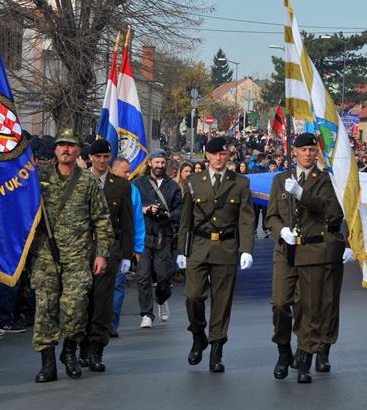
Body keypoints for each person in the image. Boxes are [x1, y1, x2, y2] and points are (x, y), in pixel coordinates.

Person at [31, 129, 113, 382]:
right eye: (61, 146)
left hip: (78, 256)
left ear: (79, 151)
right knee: (45, 309)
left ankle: (69, 350)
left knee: (77, 307)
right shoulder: (39, 179)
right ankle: (47, 362)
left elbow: (102, 220)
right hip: (45, 256)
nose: (66, 150)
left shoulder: (88, 182)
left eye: (71, 146)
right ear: (55, 150)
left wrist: (101, 254)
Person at [265, 133, 346, 384]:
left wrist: (302, 194)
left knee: (309, 307)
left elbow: (330, 210)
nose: (309, 154)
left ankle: (305, 356)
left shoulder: (326, 180)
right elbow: (272, 216)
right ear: (295, 153)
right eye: (304, 150)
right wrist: (282, 231)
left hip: (312, 251)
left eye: (312, 150)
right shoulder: (281, 180)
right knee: (280, 303)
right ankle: (283, 350)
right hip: (286, 250)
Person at [176, 137, 254, 373]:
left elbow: (246, 219)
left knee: (222, 301)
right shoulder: (194, 181)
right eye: (214, 154)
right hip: (199, 245)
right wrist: (182, 250)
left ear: (228, 156)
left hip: (226, 247)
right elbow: (186, 220)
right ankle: (198, 334)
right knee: (193, 296)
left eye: (223, 154)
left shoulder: (239, 183)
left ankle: (217, 348)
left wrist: (246, 249)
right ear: (207, 156)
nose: (219, 158)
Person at [79, 139, 134, 371]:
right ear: (90, 158)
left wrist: (126, 255)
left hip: (109, 250)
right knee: (81, 302)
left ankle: (96, 350)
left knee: (102, 303)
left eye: (105, 157)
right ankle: (80, 347)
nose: (102, 161)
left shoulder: (120, 186)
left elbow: (127, 222)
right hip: (80, 250)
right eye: (97, 156)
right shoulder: (78, 182)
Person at [133, 149, 183, 328]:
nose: (160, 166)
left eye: (162, 163)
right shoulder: (138, 184)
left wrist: (169, 214)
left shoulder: (173, 186)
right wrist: (146, 209)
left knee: (164, 275)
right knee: (143, 275)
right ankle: (146, 313)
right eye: (157, 162)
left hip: (164, 236)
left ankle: (162, 299)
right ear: (150, 163)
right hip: (143, 235)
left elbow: (180, 209)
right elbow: (130, 206)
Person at [109, 157, 145, 337]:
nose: (128, 174)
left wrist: (137, 248)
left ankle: (112, 324)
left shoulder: (133, 191)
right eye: (124, 171)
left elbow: (137, 221)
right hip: (99, 246)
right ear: (114, 170)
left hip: (122, 245)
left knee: (117, 285)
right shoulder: (100, 187)